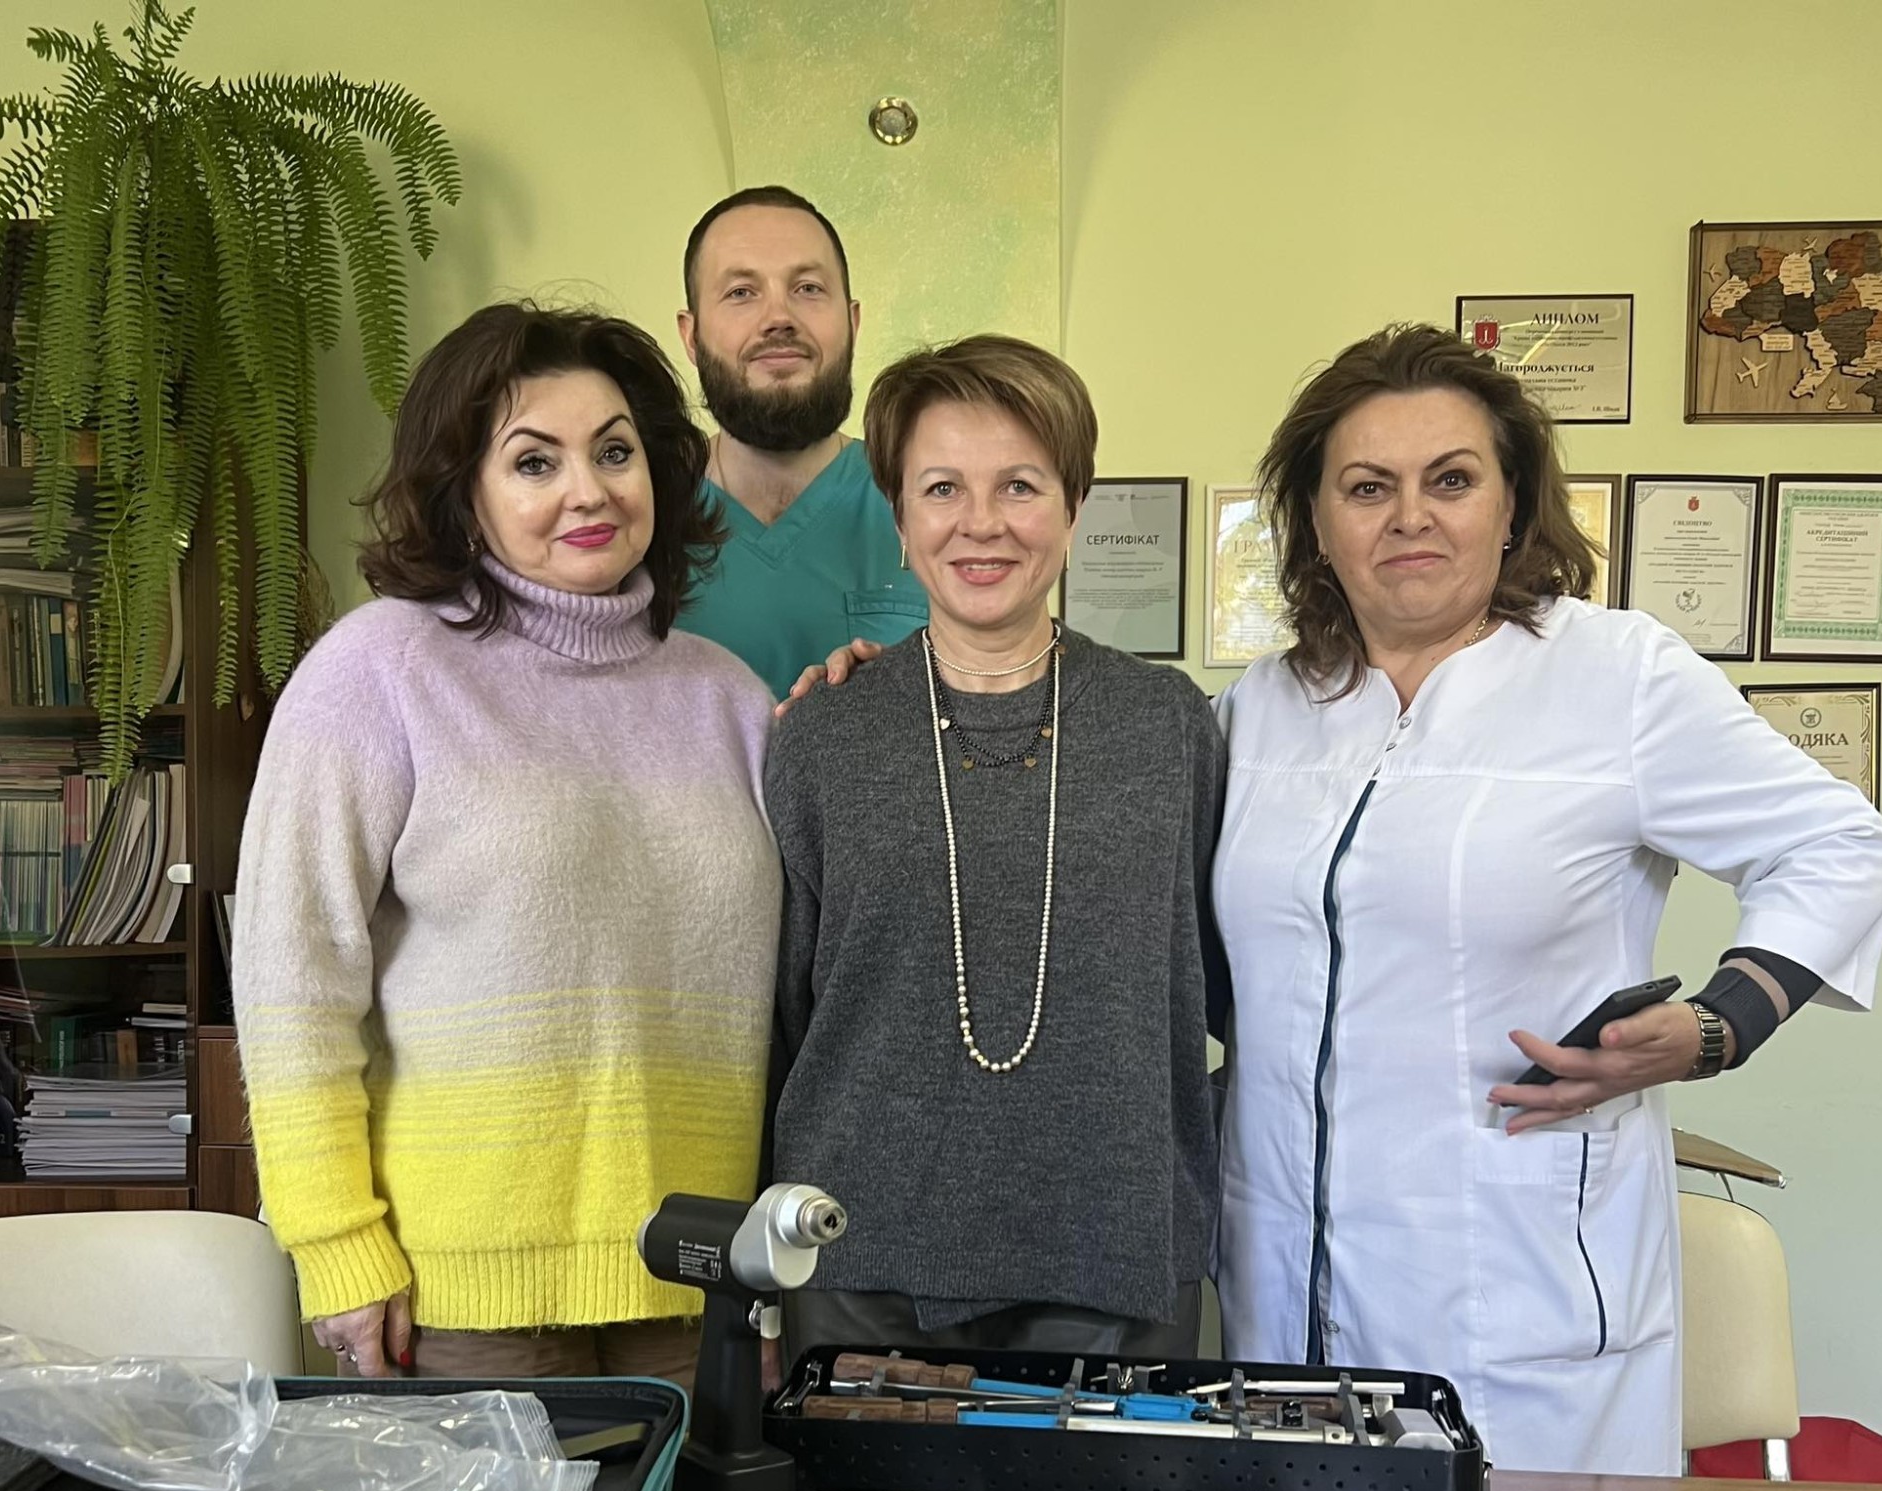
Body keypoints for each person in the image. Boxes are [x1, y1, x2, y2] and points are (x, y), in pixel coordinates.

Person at [1212, 322, 1882, 1475]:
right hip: (1286, 1291)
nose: (1410, 516)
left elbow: (1838, 844)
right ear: (1316, 521)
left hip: (1523, 1289)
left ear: (1513, 504)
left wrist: (1721, 1021)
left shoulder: (1616, 678)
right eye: (1368, 487)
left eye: (1450, 479)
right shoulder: (1262, 709)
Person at [233, 303, 780, 1382]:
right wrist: (336, 1245)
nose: (590, 489)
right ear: (463, 490)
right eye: (535, 461)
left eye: (615, 451)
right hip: (454, 1303)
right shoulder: (378, 670)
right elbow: (292, 977)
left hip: (698, 1289)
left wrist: (766, 1277)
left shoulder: (732, 699)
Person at [767, 335, 1225, 1356]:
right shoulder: (825, 733)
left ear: (1073, 506)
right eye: (942, 488)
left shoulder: (1167, 724)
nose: (981, 522)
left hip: (1115, 1251)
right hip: (859, 1256)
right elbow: (782, 1019)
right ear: (900, 520)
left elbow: (1225, 982)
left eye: (1020, 485)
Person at [673, 185, 927, 699]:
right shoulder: (642, 515)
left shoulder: (929, 500)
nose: (779, 317)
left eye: (808, 288)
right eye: (741, 292)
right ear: (691, 337)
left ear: (852, 323)